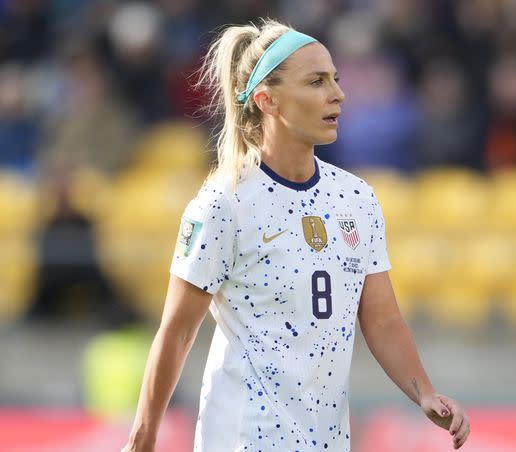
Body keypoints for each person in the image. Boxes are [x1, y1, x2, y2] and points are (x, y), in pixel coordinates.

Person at [121, 18, 470, 452]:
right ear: (267, 100)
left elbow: (381, 318)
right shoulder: (224, 205)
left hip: (326, 442)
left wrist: (424, 393)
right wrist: (142, 437)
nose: (338, 94)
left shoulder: (356, 199)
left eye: (336, 79)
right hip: (242, 438)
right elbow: (177, 332)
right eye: (316, 81)